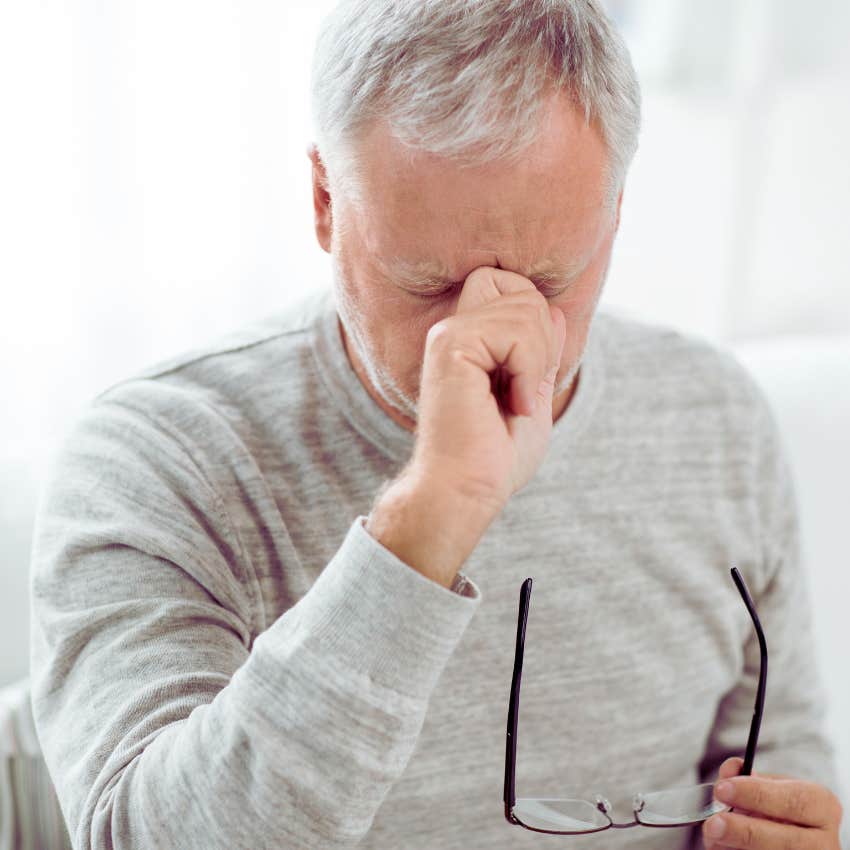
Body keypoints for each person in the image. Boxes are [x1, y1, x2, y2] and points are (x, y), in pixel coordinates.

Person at [29, 1, 844, 848]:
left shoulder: (717, 417)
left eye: (549, 280)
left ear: (616, 213)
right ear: (322, 201)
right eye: (426, 283)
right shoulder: (155, 460)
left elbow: (781, 760)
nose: (488, 337)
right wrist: (433, 512)